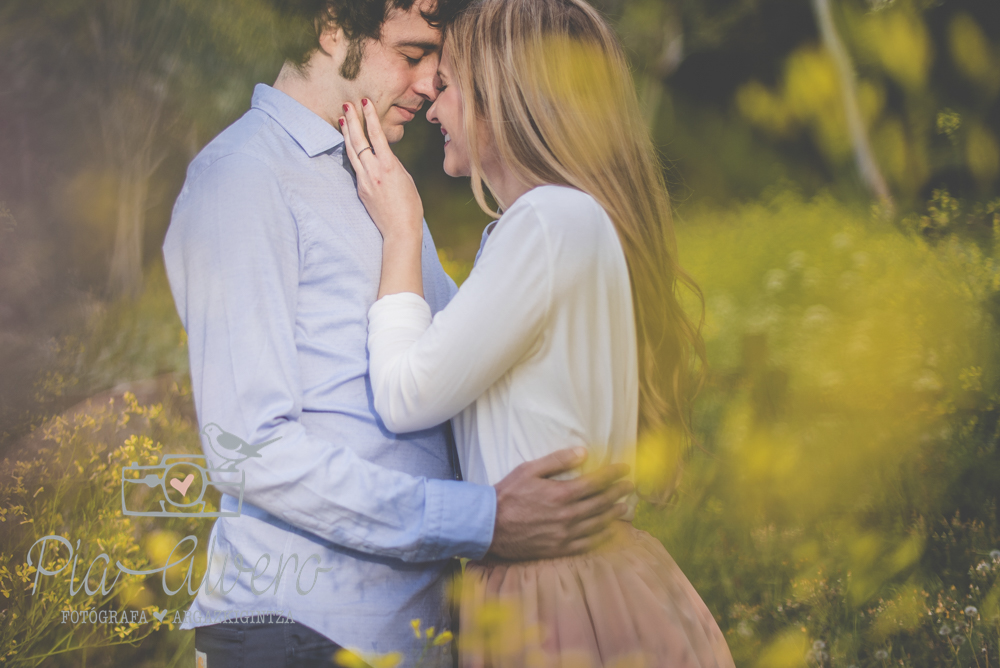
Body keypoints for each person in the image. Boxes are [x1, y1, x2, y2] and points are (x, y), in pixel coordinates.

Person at [162, 0, 633, 665]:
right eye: (412, 55)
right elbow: (250, 451)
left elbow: (462, 371)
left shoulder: (379, 183)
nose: (432, 83)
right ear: (332, 27)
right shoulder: (243, 176)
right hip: (300, 631)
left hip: (421, 629)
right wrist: (483, 519)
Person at [338, 0, 738, 664]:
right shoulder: (566, 220)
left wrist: (402, 230)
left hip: (550, 596)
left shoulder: (546, 223)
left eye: (448, 86)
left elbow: (407, 395)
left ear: (503, 98)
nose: (433, 109)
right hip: (583, 581)